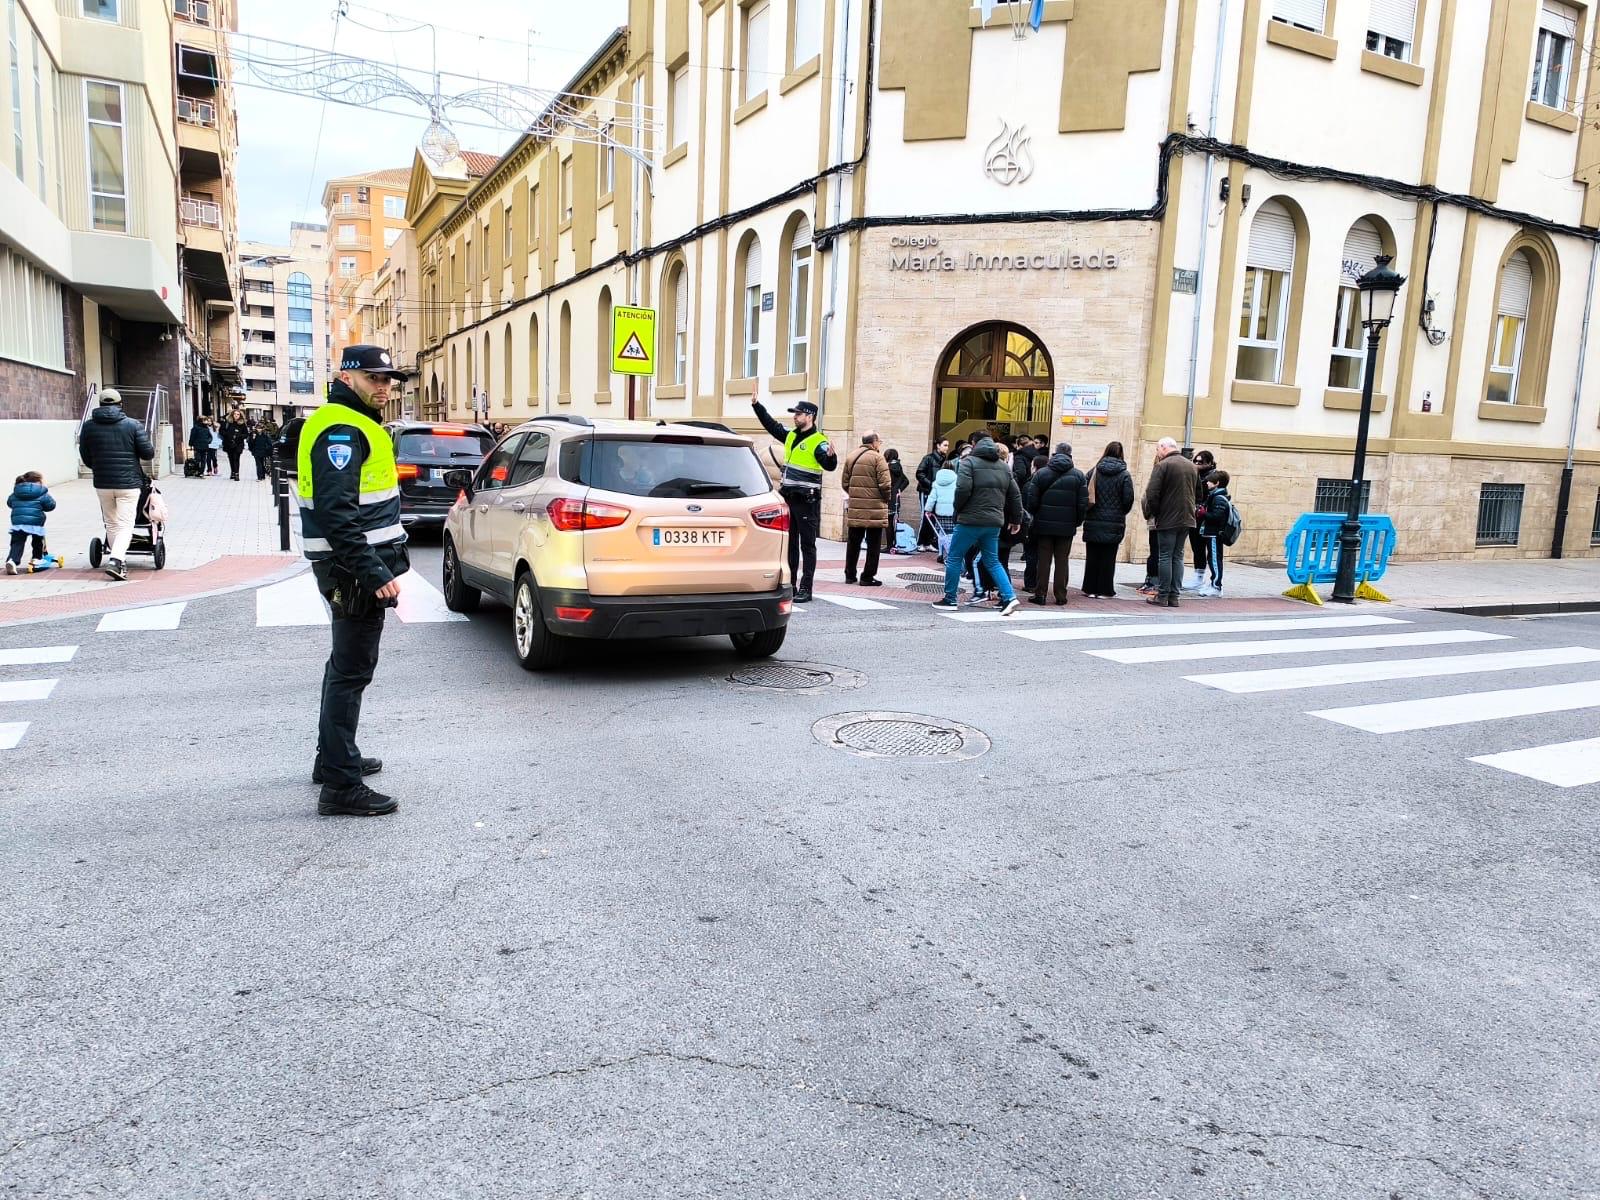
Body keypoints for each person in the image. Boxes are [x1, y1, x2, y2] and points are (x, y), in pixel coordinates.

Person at [298, 345, 410, 817]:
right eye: (372, 378)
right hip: (352, 567)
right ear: (346, 378)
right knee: (351, 671)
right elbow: (336, 511)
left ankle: (333, 759)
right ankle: (341, 786)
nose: (383, 387)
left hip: (349, 563)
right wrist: (372, 571)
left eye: (387, 379)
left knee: (343, 666)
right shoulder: (341, 429)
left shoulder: (350, 421)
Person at [751, 385, 837, 603]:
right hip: (789, 497)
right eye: (795, 414)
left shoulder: (819, 441)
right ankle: (791, 584)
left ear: (809, 416)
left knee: (807, 545)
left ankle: (806, 588)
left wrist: (831, 457)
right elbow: (772, 426)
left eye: (798, 414)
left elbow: (828, 465)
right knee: (790, 544)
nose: (795, 417)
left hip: (807, 500)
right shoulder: (791, 436)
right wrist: (757, 405)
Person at [933, 433, 1021, 616]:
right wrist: (1016, 519)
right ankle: (1009, 596)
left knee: (954, 557)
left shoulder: (969, 463)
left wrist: (958, 510)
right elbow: (1014, 495)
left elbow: (962, 489)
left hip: (970, 520)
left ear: (974, 444)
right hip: (994, 522)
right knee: (992, 560)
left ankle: (950, 599)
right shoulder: (1003, 466)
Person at [77, 388, 155, 582]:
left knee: (111, 523)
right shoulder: (132, 425)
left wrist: (98, 467)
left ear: (100, 405)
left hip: (102, 482)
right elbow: (148, 453)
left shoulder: (88, 426)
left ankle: (119, 562)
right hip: (128, 483)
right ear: (120, 404)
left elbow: (85, 456)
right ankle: (116, 560)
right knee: (126, 524)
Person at [1023, 443, 1089, 606]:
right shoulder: (1079, 476)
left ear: (1054, 453)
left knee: (1043, 560)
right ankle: (1060, 595)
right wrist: (1077, 521)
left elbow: (1032, 500)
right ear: (1070, 455)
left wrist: (1037, 515)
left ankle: (1040, 594)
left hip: (1043, 525)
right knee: (1062, 560)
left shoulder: (1041, 473)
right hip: (1067, 525)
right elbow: (1083, 503)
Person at [1142, 436, 1198, 608]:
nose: (1157, 453)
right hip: (1187, 518)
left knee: (1165, 555)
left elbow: (1152, 494)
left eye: (1157, 449)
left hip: (1167, 518)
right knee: (1178, 556)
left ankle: (1163, 595)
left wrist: (1156, 513)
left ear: (1163, 447)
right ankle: (1174, 596)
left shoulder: (1163, 465)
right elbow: (1199, 493)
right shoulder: (1191, 466)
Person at [1080, 441, 1135, 598]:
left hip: (1093, 519)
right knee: (1108, 557)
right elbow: (1128, 499)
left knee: (1092, 556)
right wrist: (1120, 512)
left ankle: (1090, 588)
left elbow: (1084, 494)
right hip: (1114, 521)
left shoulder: (1094, 471)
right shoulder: (1124, 475)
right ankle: (1104, 590)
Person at [841, 431, 891, 586]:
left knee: (853, 542)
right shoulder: (878, 458)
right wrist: (885, 498)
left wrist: (856, 495)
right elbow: (885, 484)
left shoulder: (851, 456)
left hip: (856, 508)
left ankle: (850, 575)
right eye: (879, 441)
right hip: (875, 508)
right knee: (873, 544)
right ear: (874, 442)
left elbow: (845, 483)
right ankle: (867, 576)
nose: (879, 444)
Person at [6, 471, 55, 575]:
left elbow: (9, 503)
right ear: (38, 481)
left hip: (18, 523)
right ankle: (36, 559)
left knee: (17, 543)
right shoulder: (41, 492)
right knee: (37, 542)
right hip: (35, 523)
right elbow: (51, 506)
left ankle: (12, 560)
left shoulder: (16, 491)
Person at [1196, 469, 1233, 597]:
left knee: (1215, 560)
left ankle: (1216, 586)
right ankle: (1213, 583)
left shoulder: (1218, 498)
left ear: (1217, 483)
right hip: (1211, 533)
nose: (1207, 483)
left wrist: (1203, 513)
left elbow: (1216, 517)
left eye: (1210, 481)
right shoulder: (1214, 496)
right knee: (1212, 559)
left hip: (1214, 534)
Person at [1186, 449, 1217, 591]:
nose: (1197, 464)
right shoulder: (1195, 474)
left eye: (1201, 462)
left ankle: (1212, 581)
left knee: (1206, 549)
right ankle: (1198, 576)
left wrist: (1201, 508)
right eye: (1196, 461)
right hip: (1195, 516)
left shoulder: (1212, 477)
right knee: (1196, 547)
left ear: (1209, 463)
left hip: (1205, 518)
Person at [915, 438, 949, 550]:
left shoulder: (944, 460)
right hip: (926, 490)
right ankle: (920, 543)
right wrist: (930, 484)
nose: (947, 448)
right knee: (925, 515)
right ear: (938, 446)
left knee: (933, 517)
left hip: (936, 492)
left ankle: (928, 542)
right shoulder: (928, 458)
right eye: (945, 445)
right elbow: (919, 473)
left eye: (947, 445)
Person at [923, 455, 958, 563]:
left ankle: (941, 554)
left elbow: (932, 498)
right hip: (953, 511)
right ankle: (951, 553)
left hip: (940, 512)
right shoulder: (957, 480)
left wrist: (928, 510)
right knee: (952, 533)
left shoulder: (936, 482)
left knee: (941, 533)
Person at [883, 447, 911, 554]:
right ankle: (894, 544)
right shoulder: (898, 466)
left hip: (889, 497)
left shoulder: (888, 467)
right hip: (896, 498)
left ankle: (889, 546)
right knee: (892, 522)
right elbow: (906, 481)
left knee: (888, 523)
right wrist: (899, 490)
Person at [220, 412, 249, 481]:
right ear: (232, 415)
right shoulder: (227, 423)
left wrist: (239, 436)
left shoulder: (242, 424)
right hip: (228, 443)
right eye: (235, 414)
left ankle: (236, 474)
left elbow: (246, 434)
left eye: (238, 414)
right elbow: (221, 431)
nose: (236, 415)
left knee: (236, 458)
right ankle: (233, 472)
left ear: (240, 416)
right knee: (231, 458)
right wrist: (227, 435)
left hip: (238, 444)